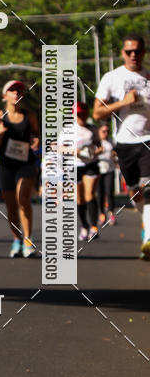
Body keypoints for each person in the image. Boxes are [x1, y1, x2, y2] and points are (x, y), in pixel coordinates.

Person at [94, 34, 150, 259]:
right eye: (129, 51)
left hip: (147, 140)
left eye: (137, 51)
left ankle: (148, 238)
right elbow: (97, 112)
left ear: (144, 52)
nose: (133, 55)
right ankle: (145, 221)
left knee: (148, 188)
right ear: (123, 53)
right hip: (125, 142)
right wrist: (123, 102)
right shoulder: (112, 77)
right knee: (135, 191)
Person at [0, 79, 40, 258]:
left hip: (26, 163)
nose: (16, 93)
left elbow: (36, 135)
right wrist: (1, 134)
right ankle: (17, 239)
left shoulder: (29, 115)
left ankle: (28, 240)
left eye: (19, 90)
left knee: (23, 198)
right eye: (12, 90)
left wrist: (35, 140)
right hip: (6, 166)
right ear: (5, 95)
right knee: (11, 206)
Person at [74, 102, 102, 241]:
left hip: (91, 164)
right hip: (76, 165)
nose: (81, 116)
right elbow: (58, 147)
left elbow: (99, 146)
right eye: (79, 114)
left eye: (83, 114)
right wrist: (73, 151)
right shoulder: (68, 130)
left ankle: (94, 227)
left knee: (90, 194)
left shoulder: (93, 129)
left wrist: (96, 152)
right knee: (80, 198)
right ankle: (84, 226)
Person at [96, 122, 118, 226]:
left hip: (110, 169)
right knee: (100, 193)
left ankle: (111, 213)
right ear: (99, 131)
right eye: (103, 131)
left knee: (109, 192)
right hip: (98, 170)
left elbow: (115, 154)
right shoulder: (96, 141)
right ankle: (101, 214)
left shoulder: (111, 141)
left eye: (107, 131)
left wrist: (115, 156)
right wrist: (98, 152)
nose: (106, 133)